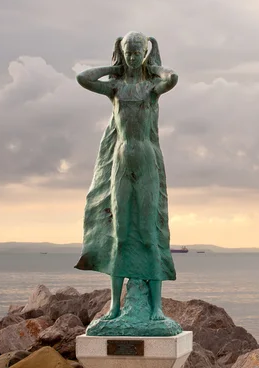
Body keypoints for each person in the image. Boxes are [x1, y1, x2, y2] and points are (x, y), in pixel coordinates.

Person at [74, 31, 178, 321]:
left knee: (148, 234)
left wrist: (151, 65)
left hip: (145, 162)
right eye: (128, 52)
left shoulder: (150, 88)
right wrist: (114, 67)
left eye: (137, 52)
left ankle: (156, 307)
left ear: (143, 53)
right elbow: (83, 79)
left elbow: (172, 78)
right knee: (119, 235)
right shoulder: (116, 88)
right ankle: (115, 306)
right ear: (123, 52)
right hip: (120, 161)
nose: (133, 57)